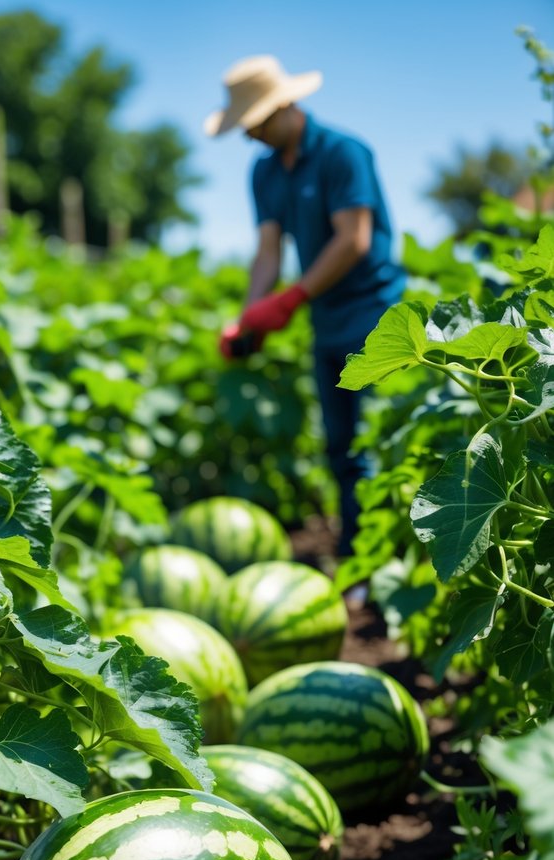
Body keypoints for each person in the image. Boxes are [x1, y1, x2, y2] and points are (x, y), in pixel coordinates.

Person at [205, 54, 406, 561]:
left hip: (374, 317)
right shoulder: (266, 172)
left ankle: (382, 564)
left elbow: (353, 240)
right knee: (339, 448)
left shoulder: (344, 153)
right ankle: (356, 556)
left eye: (254, 125)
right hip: (325, 320)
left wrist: (292, 299)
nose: (248, 137)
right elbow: (268, 251)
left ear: (285, 107)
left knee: (371, 448)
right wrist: (249, 319)